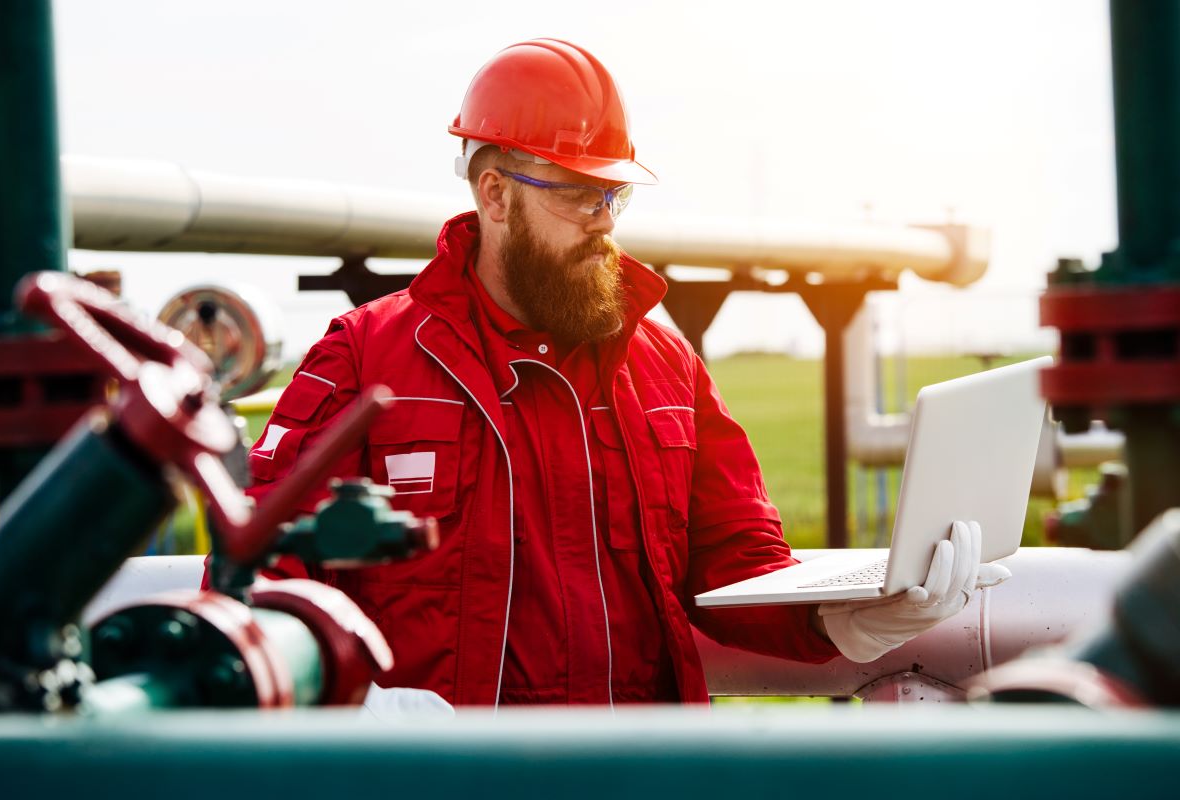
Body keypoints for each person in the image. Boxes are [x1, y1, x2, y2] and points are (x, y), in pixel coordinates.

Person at [234, 39, 1007, 707]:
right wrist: (354, 721)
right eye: (577, 194)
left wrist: (846, 619)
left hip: (640, 776)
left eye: (614, 193)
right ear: (495, 194)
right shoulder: (365, 358)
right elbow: (259, 569)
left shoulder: (667, 366)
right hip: (444, 779)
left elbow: (739, 565)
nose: (604, 219)